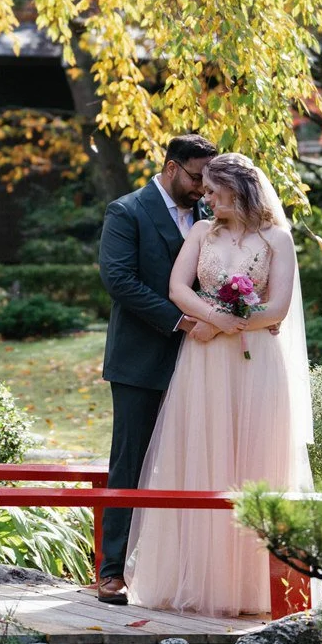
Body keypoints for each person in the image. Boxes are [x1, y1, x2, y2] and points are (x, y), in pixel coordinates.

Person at [124, 151, 314, 618]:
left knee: (254, 456)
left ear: (238, 190)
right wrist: (211, 318)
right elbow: (177, 289)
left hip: (256, 363)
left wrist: (228, 324)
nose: (205, 198)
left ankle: (254, 586)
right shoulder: (200, 232)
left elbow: (278, 309)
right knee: (202, 456)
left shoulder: (278, 238)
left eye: (213, 191)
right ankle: (196, 579)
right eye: (204, 189)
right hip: (204, 359)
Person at [95, 133, 217, 603]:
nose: (203, 188)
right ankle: (111, 570)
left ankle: (182, 571)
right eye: (196, 177)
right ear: (170, 167)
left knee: (193, 462)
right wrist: (182, 321)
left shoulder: (211, 216)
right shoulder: (126, 211)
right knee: (130, 462)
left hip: (203, 362)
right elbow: (119, 280)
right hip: (140, 360)